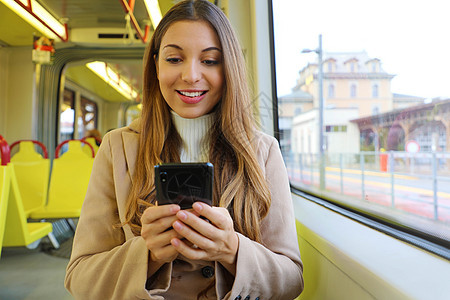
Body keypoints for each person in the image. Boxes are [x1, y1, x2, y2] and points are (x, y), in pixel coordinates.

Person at [64, 1, 304, 299]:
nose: (191, 75)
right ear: (156, 65)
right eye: (175, 59)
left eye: (210, 61)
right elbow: (79, 278)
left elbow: (292, 279)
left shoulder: (263, 151)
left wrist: (232, 249)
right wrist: (148, 254)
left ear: (229, 68)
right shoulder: (117, 148)